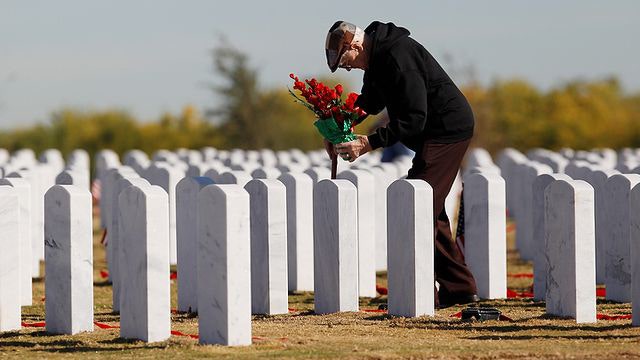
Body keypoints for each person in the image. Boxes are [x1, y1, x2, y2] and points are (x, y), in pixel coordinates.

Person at [324, 20, 478, 308]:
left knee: (416, 208)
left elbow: (413, 118)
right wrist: (338, 125)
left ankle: (419, 295)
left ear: (356, 45)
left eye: (345, 61)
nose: (346, 68)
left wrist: (368, 143)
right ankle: (459, 289)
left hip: (446, 131)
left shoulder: (397, 56)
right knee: (428, 210)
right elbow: (370, 102)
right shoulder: (376, 58)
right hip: (430, 134)